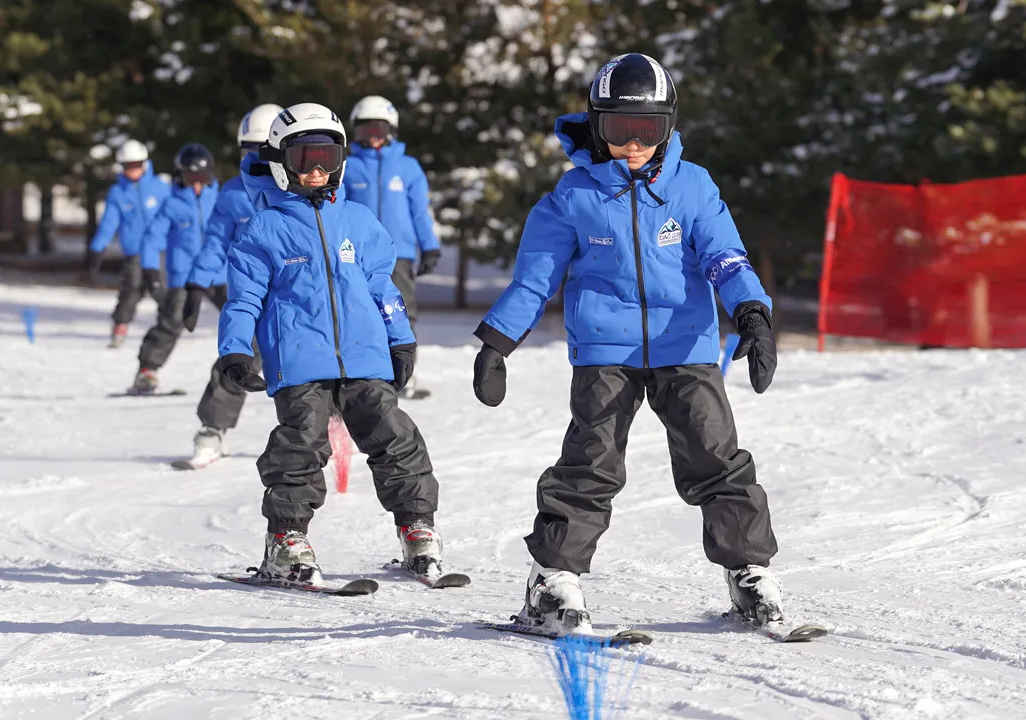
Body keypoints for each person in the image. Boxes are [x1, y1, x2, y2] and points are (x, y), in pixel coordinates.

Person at [470, 53, 782, 636]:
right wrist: (497, 341)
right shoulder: (573, 196)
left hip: (685, 347)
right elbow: (535, 279)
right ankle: (551, 581)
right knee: (591, 463)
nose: (633, 145)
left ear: (668, 126)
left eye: (647, 129)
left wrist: (751, 312)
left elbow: (725, 256)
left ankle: (748, 573)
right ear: (596, 126)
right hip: (604, 353)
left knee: (716, 458)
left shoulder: (693, 186)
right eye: (618, 129)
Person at [218, 103, 443, 585]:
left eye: (328, 158)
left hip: (365, 357)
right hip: (300, 362)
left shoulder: (359, 221)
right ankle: (286, 540)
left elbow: (383, 287)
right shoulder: (264, 229)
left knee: (395, 437)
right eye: (305, 159)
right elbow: (243, 299)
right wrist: (234, 350)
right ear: (281, 163)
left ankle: (417, 528)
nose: (317, 170)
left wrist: (401, 340)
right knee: (300, 445)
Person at [178, 102, 284, 468]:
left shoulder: (301, 189)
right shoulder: (233, 193)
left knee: (317, 364)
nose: (257, 158)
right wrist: (196, 284)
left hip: (299, 295)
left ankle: (333, 425)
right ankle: (213, 428)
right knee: (237, 357)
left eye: (264, 150)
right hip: (253, 295)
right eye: (249, 149)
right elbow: (215, 243)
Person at [343, 95, 441, 399]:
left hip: (399, 256)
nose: (373, 136)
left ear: (392, 130)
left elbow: (419, 212)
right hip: (356, 257)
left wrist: (430, 246)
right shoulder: (348, 167)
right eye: (365, 129)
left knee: (399, 314)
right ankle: (359, 376)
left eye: (379, 129)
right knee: (356, 314)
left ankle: (404, 375)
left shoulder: (408, 167)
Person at [128, 143, 221, 394]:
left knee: (247, 316)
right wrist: (150, 270)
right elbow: (152, 238)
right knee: (171, 322)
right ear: (180, 176)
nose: (197, 185)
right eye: (191, 178)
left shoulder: (221, 200)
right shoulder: (171, 204)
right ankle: (147, 371)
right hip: (184, 275)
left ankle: (264, 366)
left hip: (219, 273)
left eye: (202, 178)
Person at [86, 139, 171, 348]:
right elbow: (109, 223)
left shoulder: (161, 188)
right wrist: (97, 248)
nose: (133, 170)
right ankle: (120, 327)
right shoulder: (118, 193)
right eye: (127, 166)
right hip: (134, 252)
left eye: (136, 164)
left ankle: (169, 326)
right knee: (132, 289)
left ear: (145, 163)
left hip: (158, 250)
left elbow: (176, 216)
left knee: (161, 290)